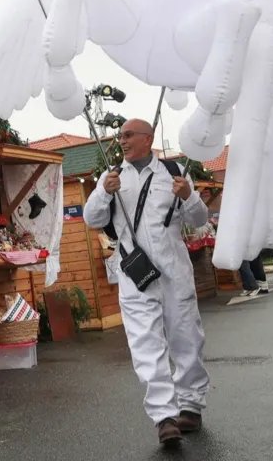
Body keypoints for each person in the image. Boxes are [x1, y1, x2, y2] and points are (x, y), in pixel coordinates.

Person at [83, 118, 211, 447]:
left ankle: (190, 405)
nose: (122, 141)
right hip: (135, 275)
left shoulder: (174, 172)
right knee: (145, 344)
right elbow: (92, 219)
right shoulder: (111, 176)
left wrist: (189, 197)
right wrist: (103, 193)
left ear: (147, 138)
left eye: (128, 135)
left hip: (174, 273)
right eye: (120, 136)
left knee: (186, 338)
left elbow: (199, 220)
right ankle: (164, 417)